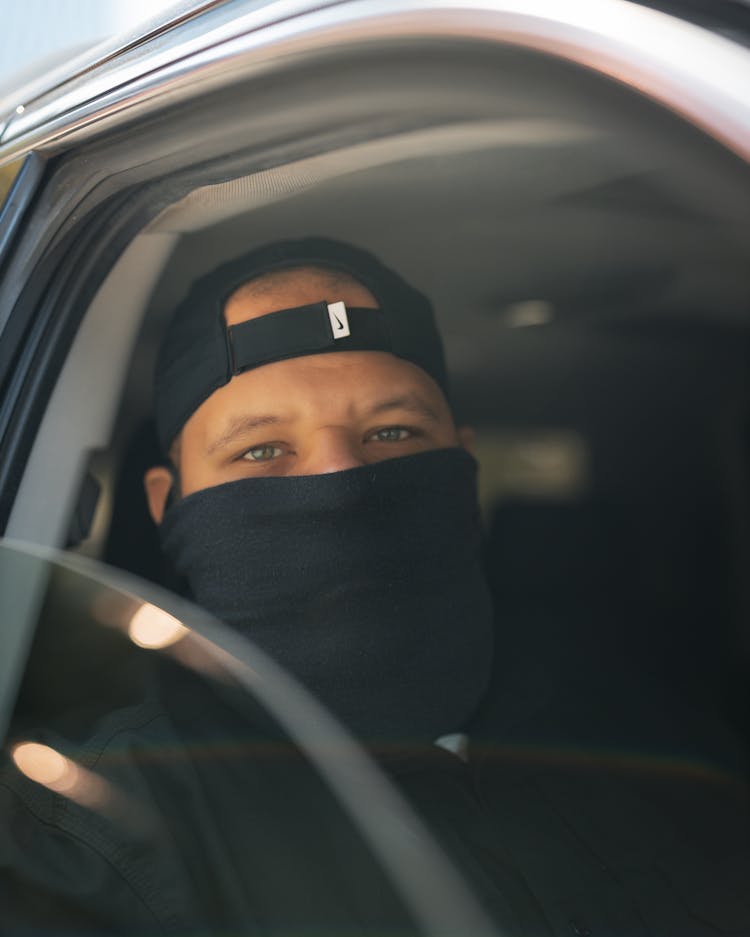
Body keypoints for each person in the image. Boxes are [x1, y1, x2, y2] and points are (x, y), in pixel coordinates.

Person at [1, 237, 749, 935]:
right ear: (167, 502)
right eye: (261, 449)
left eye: (392, 434)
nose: (340, 480)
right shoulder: (100, 827)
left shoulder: (641, 721)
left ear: (463, 462)